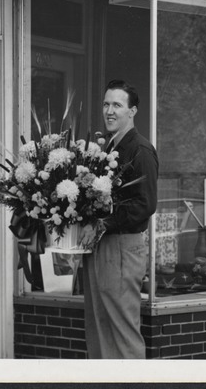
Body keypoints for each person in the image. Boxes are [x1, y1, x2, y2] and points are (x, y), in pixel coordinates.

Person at [79, 79, 159, 359]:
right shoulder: (109, 149)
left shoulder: (140, 150)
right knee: (99, 329)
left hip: (123, 247)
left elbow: (145, 204)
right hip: (102, 245)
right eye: (106, 104)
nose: (109, 111)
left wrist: (104, 223)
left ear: (132, 111)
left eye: (117, 105)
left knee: (122, 334)